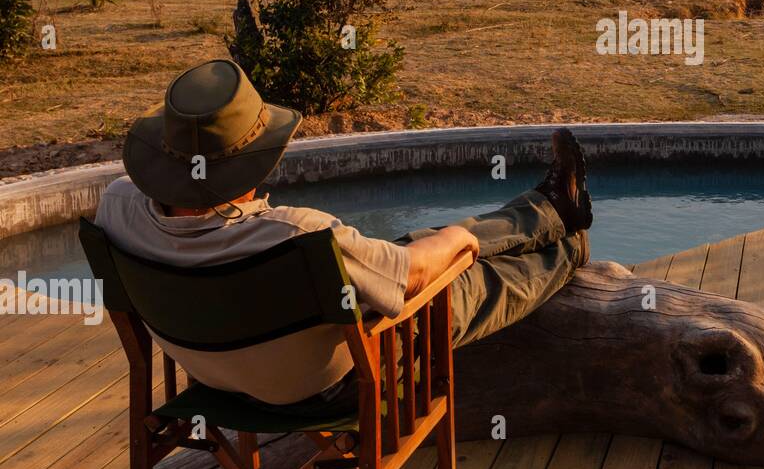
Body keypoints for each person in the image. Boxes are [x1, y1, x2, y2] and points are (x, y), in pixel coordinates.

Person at [94, 58, 592, 413]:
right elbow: (414, 277)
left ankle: (550, 207)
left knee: (417, 241)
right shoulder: (294, 234)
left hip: (210, 374)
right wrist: (463, 240)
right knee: (463, 277)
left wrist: (444, 239)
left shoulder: (115, 206)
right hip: (335, 381)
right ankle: (569, 247)